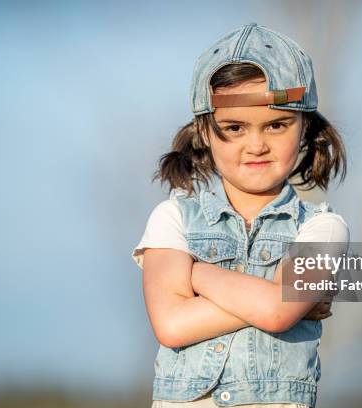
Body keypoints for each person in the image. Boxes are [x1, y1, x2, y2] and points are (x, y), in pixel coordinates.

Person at [132, 23, 349, 408]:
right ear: (204, 131)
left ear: (305, 129)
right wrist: (275, 297)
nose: (256, 144)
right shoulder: (172, 218)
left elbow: (275, 311)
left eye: (277, 125)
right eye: (234, 127)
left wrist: (195, 273)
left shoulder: (323, 227)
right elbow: (171, 324)